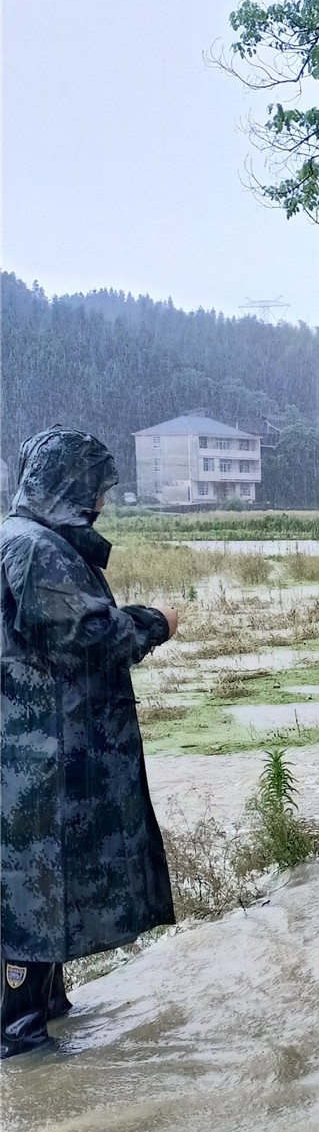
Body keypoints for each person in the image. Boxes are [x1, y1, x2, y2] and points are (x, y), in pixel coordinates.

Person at [1, 427, 179, 1058]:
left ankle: (46, 1013)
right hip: (40, 759)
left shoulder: (20, 539)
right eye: (97, 489)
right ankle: (20, 1039)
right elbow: (91, 635)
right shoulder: (37, 550)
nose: (102, 501)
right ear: (73, 487)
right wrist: (156, 621)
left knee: (42, 881)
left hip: (37, 753)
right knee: (34, 885)